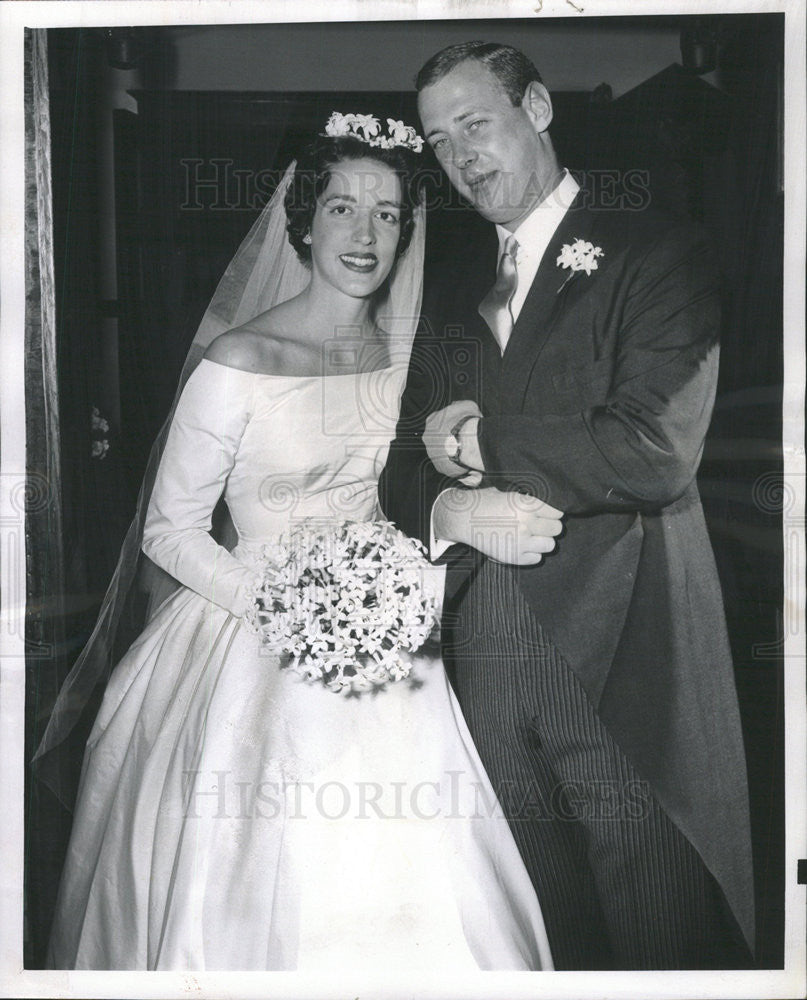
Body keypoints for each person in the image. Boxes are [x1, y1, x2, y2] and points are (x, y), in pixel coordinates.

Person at [43, 116, 555, 971]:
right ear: (304, 223)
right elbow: (170, 530)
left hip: (387, 626)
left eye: (388, 215)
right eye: (344, 209)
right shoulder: (242, 355)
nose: (365, 235)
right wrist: (287, 604)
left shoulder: (409, 356)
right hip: (250, 625)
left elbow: (404, 494)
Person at [380, 41, 755, 970]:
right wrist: (449, 512)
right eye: (439, 139)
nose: (462, 156)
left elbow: (654, 447)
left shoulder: (654, 248)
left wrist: (479, 449)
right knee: (542, 921)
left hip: (626, 643)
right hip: (479, 648)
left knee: (654, 910)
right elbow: (399, 465)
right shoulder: (449, 275)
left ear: (538, 109)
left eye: (477, 123)